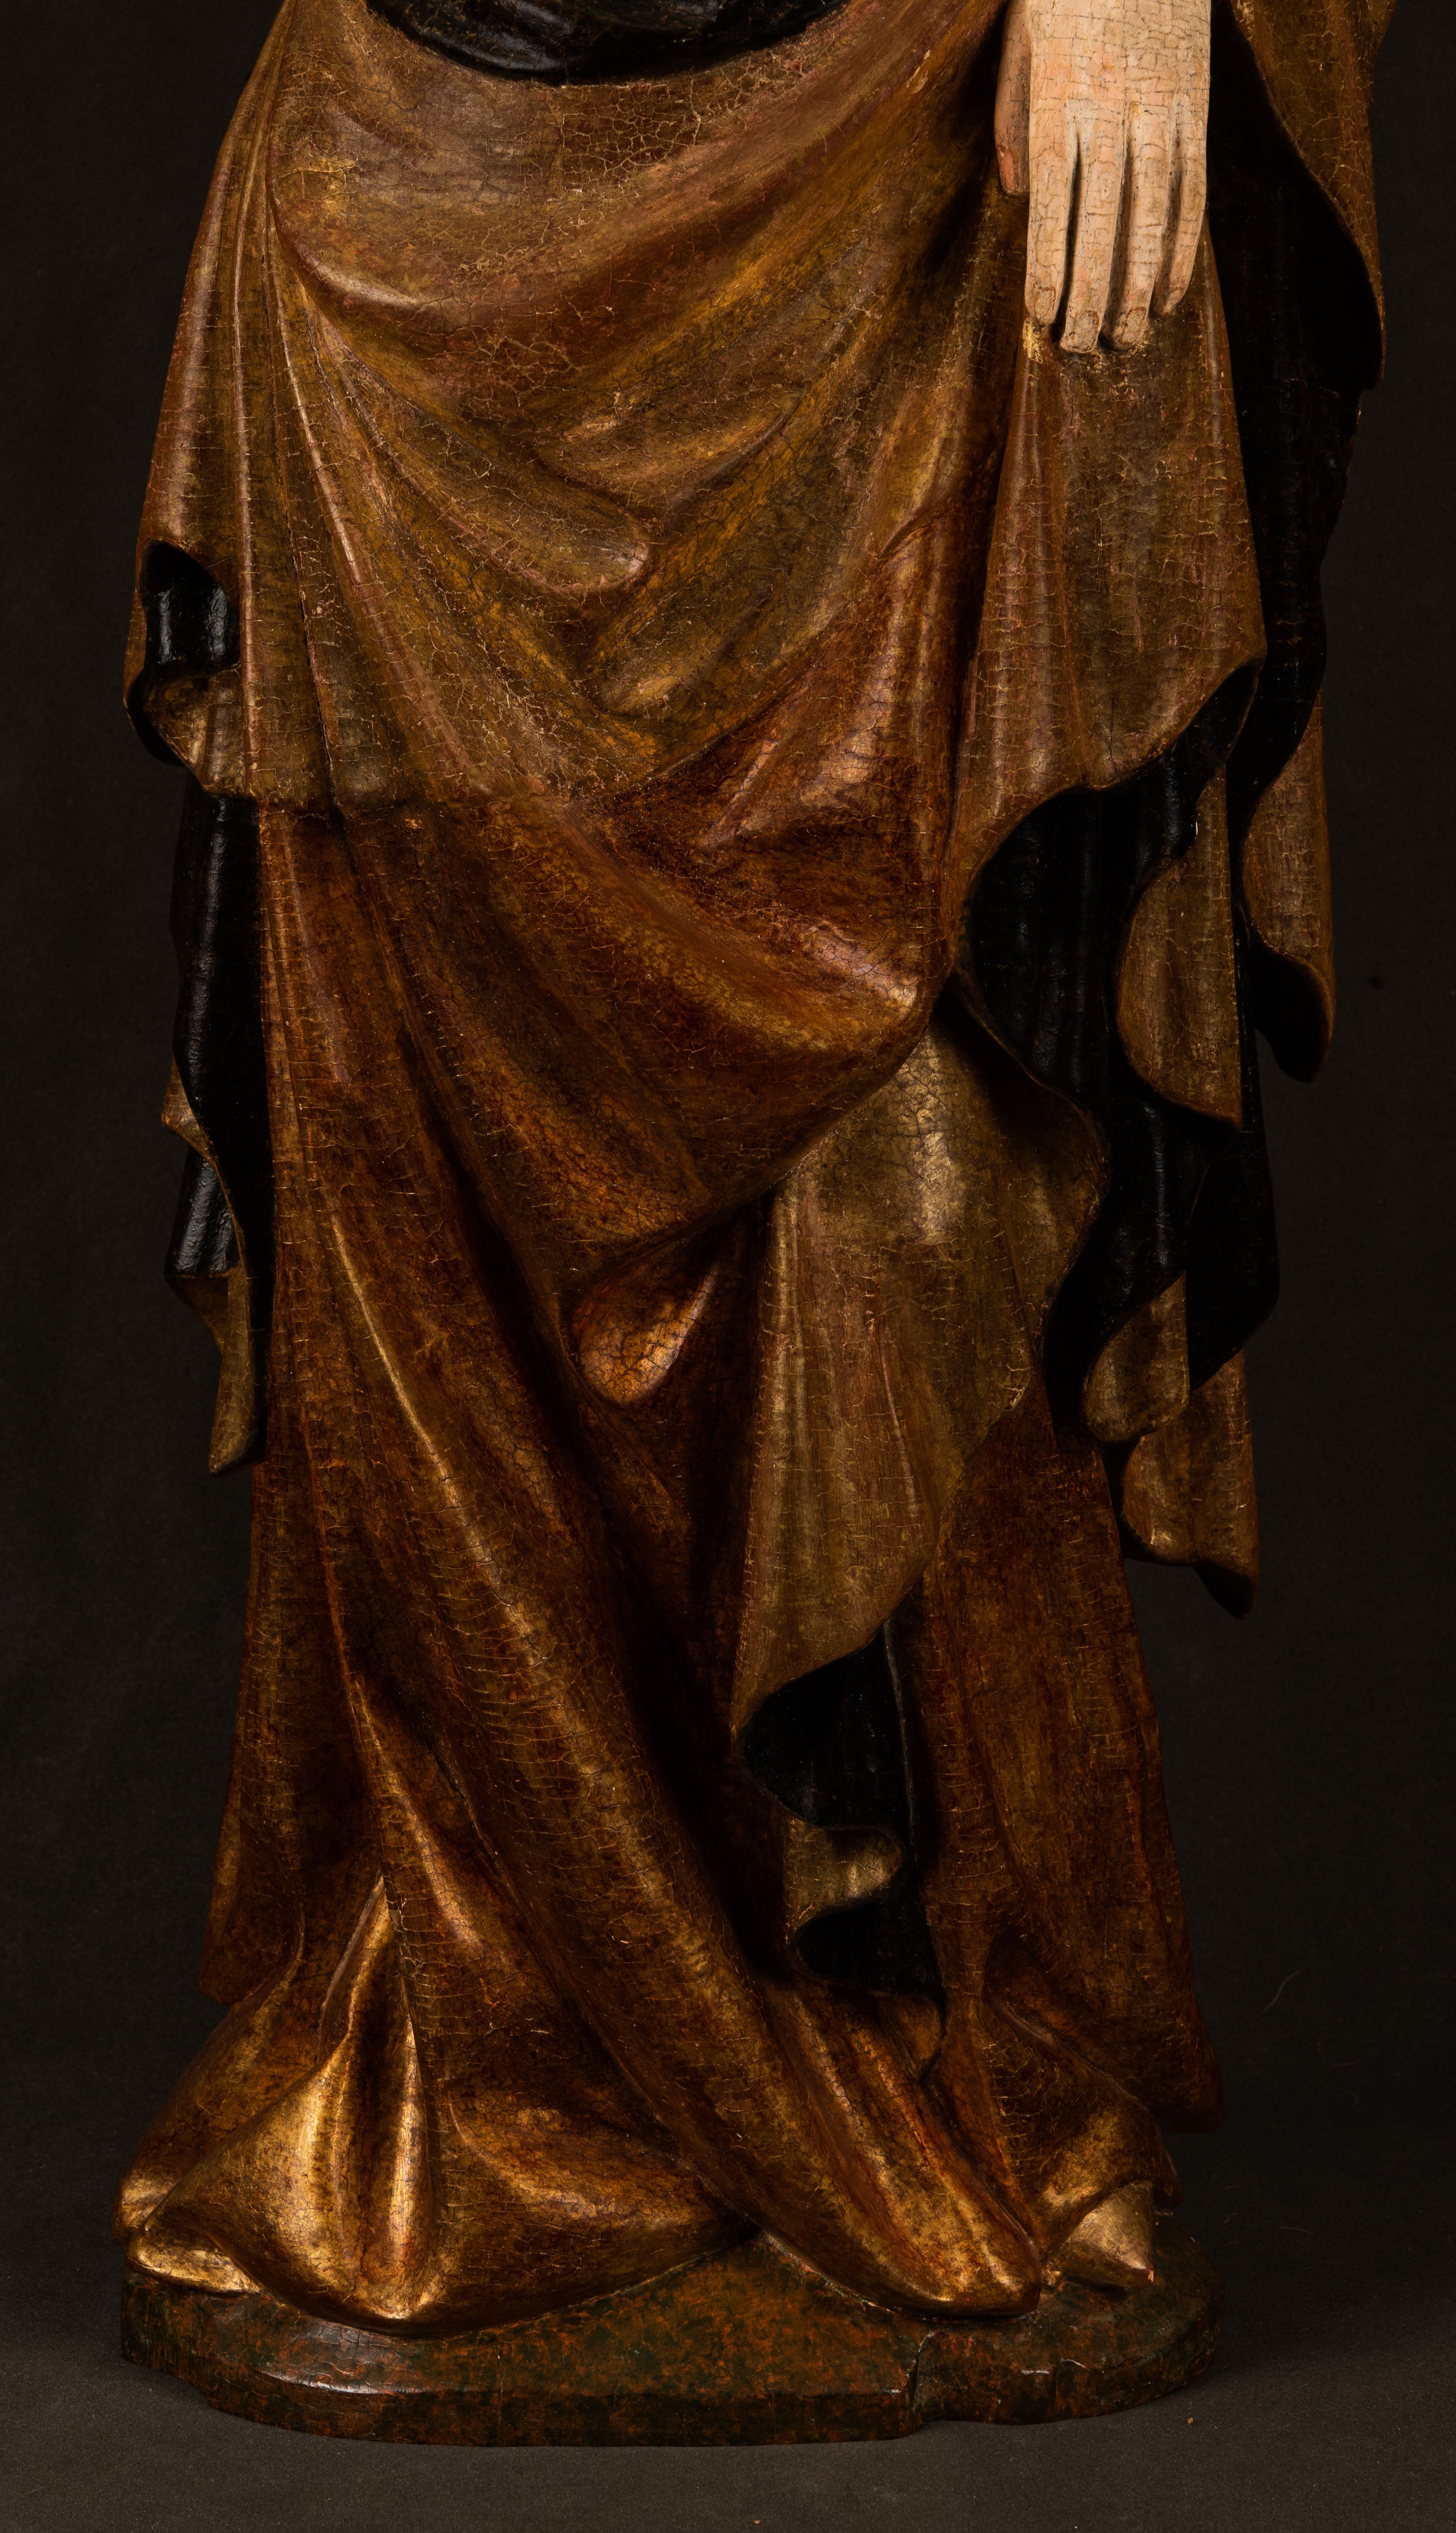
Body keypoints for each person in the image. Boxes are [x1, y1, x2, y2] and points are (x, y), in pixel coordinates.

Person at [116, 0, 1395, 2329]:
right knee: (434, 1197)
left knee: (920, 1136)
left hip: (919, 167)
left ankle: (936, 2034)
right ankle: (498, 2044)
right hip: (416, 213)